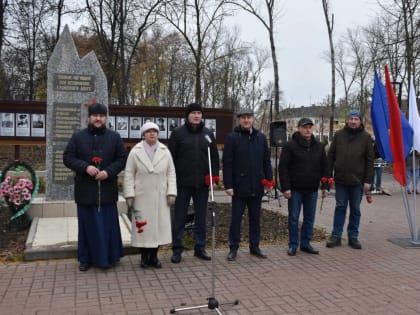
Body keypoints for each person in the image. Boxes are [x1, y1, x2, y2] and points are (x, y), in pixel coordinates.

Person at [63, 103, 127, 271]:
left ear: (105, 118)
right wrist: (85, 167)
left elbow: (122, 158)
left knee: (107, 226)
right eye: (95, 115)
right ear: (89, 117)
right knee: (87, 227)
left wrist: (108, 172)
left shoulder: (114, 137)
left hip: (107, 190)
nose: (98, 118)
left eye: (101, 115)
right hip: (85, 191)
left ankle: (110, 256)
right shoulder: (78, 137)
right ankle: (86, 259)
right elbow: (68, 157)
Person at [168, 103, 219, 263]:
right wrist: (171, 180)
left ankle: (200, 247)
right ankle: (177, 249)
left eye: (199, 113)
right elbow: (171, 159)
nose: (196, 116)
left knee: (201, 216)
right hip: (182, 183)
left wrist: (214, 177)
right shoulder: (178, 134)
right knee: (179, 217)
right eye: (193, 113)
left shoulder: (208, 134)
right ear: (187, 115)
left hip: (201, 184)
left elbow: (215, 158)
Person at [124, 122, 177, 269]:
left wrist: (171, 192)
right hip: (142, 197)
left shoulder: (165, 150)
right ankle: (144, 257)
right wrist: (129, 194)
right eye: (148, 131)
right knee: (143, 229)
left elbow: (171, 173)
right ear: (143, 134)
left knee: (158, 229)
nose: (152, 134)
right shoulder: (135, 151)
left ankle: (154, 257)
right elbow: (129, 174)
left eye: (154, 131)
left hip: (161, 197)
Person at [223, 108, 273, 261]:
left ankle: (255, 246)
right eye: (243, 118)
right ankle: (233, 247)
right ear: (239, 120)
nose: (246, 120)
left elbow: (266, 161)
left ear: (253, 119)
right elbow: (227, 163)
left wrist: (269, 180)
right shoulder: (232, 138)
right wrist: (228, 185)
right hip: (239, 187)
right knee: (236, 219)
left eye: (249, 117)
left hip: (256, 186)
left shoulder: (261, 137)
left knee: (255, 218)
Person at [278, 118, 330, 256]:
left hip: (312, 189)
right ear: (299, 128)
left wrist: (325, 186)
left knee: (309, 218)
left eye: (310, 127)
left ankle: (306, 243)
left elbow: (325, 167)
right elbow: (283, 168)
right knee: (294, 218)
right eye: (305, 127)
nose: (308, 130)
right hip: (295, 190)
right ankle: (293, 244)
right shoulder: (290, 146)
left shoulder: (318, 146)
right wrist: (286, 188)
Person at [326, 109, 374, 250]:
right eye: (351, 118)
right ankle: (336, 236)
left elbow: (370, 161)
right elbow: (331, 157)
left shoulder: (366, 138)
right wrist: (328, 176)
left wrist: (368, 181)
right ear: (348, 120)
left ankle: (353, 236)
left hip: (358, 182)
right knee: (340, 207)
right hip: (341, 180)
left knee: (355, 209)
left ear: (360, 121)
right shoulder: (338, 135)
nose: (353, 121)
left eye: (356, 119)